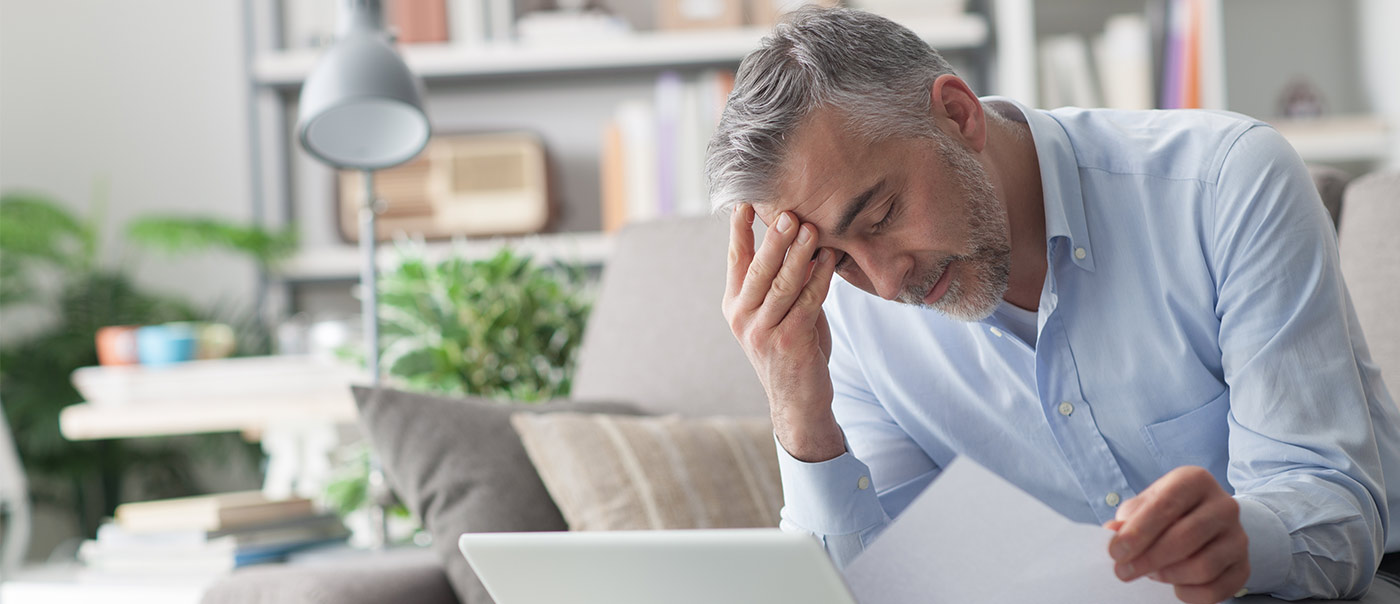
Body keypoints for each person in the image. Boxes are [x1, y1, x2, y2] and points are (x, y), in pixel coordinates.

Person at [707, 6, 1400, 603]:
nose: (887, 284)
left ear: (957, 113)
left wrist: (1245, 537)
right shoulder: (852, 321)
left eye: (883, 213)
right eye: (835, 258)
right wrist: (799, 410)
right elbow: (874, 587)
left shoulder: (1222, 186)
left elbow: (1336, 511)